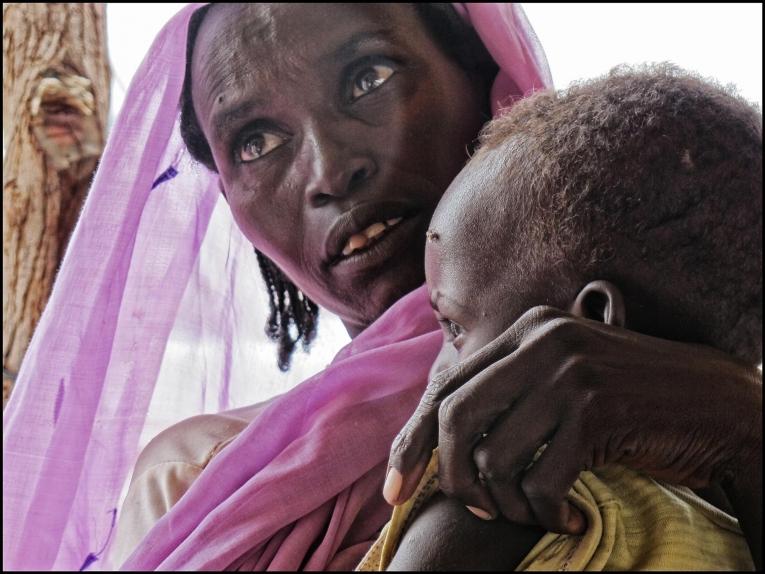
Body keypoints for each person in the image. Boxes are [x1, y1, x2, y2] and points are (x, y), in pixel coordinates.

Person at [2, 3, 760, 572]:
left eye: (367, 77)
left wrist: (733, 420)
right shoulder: (200, 483)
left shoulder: (722, 356)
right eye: (255, 141)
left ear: (486, 80)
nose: (331, 171)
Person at [358, 64, 761, 570]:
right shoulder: (735, 525)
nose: (437, 373)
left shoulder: (500, 506)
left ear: (592, 318)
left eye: (455, 329)